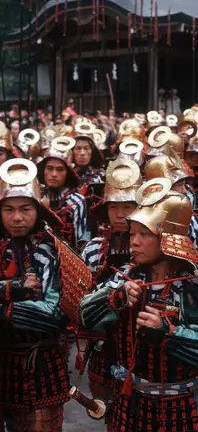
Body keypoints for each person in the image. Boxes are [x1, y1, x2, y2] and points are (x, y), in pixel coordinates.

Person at [80, 178, 198, 432]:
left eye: (144, 234)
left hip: (182, 408)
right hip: (130, 406)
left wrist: (170, 334)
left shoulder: (192, 285)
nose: (133, 241)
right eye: (133, 233)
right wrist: (114, 299)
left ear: (168, 236)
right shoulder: (127, 276)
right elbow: (84, 316)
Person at [0, 159, 71, 432]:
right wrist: (13, 288)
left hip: (40, 362)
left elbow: (53, 315)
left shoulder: (55, 251)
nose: (17, 217)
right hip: (0, 362)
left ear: (38, 209)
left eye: (25, 209)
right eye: (9, 209)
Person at [80, 158, 141, 400]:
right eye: (114, 206)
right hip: (101, 343)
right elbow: (81, 296)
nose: (120, 214)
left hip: (138, 346)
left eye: (128, 206)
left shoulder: (153, 250)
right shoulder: (93, 249)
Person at [37, 136, 90, 250]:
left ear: (68, 173)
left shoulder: (77, 201)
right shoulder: (37, 197)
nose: (54, 174)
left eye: (60, 169)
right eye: (50, 168)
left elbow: (81, 240)